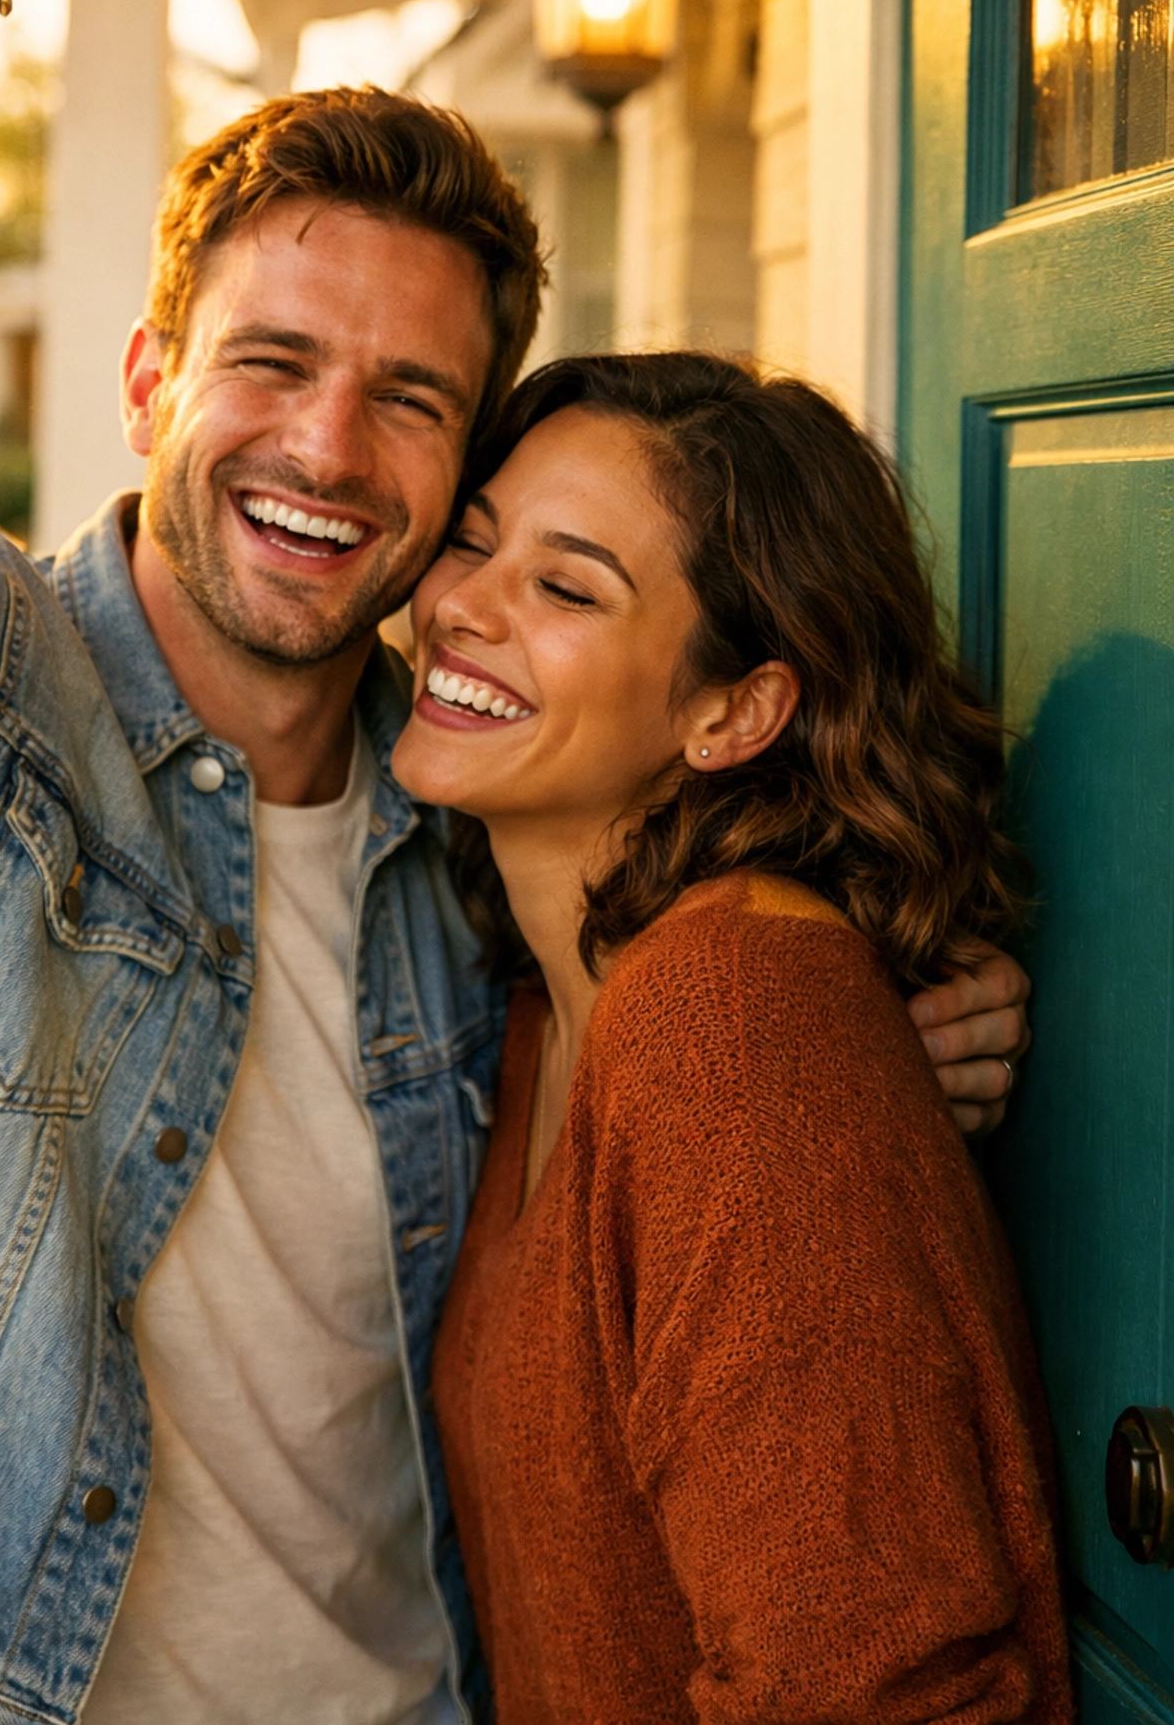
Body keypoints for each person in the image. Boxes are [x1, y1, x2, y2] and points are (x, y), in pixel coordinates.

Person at [0, 0, 1030, 1725]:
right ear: (148, 383)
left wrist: (885, 1023)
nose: (326, 449)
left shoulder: (481, 840)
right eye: (271, 365)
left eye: (412, 403)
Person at [392, 353, 1071, 1725]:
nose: (463, 606)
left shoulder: (734, 1017)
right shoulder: (548, 1010)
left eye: (567, 587)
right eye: (474, 544)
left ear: (734, 712)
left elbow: (870, 1684)